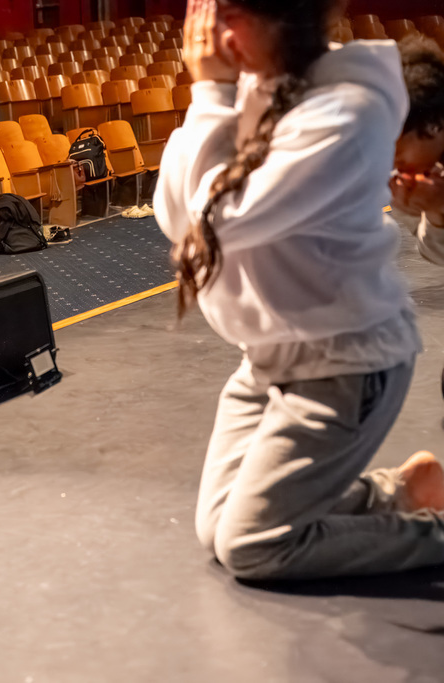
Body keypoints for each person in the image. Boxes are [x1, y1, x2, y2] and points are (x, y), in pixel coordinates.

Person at [155, 0, 444, 580]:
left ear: (278, 20)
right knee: (217, 527)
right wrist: (212, 95)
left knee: (254, 547)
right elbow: (174, 215)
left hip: (344, 361)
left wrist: (210, 93)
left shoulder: (350, 107)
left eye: (225, 15)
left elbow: (217, 218)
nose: (206, 34)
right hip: (268, 357)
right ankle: (394, 493)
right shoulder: (258, 87)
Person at [392, 36, 444, 263]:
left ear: (432, 124)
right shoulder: (413, 180)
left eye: (396, 148)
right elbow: (437, 255)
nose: (391, 161)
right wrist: (435, 213)